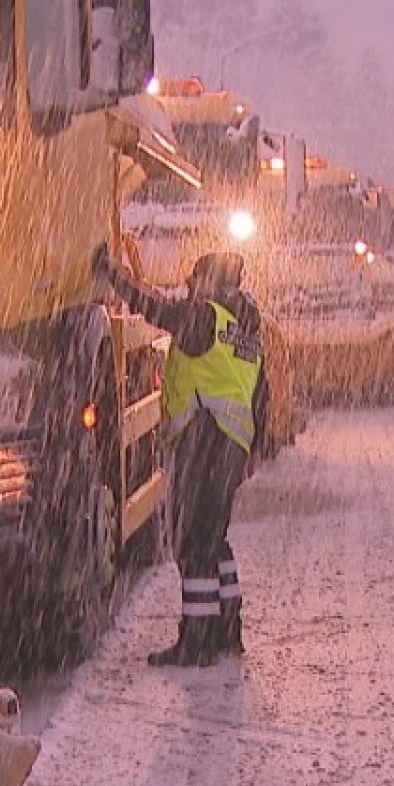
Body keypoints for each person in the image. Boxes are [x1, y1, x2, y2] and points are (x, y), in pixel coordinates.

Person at [95, 247, 269, 666]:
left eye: (196, 278)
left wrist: (114, 277)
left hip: (204, 435)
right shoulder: (244, 330)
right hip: (230, 443)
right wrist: (253, 449)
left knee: (192, 541)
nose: (191, 286)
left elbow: (156, 309)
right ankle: (227, 629)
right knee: (214, 538)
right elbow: (262, 395)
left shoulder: (205, 317)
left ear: (211, 282)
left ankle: (196, 640)